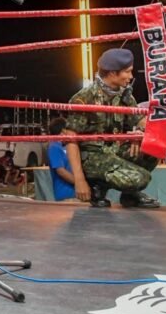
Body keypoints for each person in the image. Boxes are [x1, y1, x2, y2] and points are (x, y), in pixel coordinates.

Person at [63, 48, 160, 209]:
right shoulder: (84, 98)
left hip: (114, 150)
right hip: (93, 158)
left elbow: (142, 122)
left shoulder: (124, 96)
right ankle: (96, 186)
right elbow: (70, 139)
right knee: (141, 178)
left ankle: (129, 196)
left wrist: (140, 134)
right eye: (127, 72)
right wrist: (79, 180)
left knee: (153, 148)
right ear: (113, 73)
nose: (131, 76)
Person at [47, 118, 77, 201]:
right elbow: (61, 171)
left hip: (73, 194)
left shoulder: (64, 146)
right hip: (65, 196)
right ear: (64, 131)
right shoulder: (54, 147)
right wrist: (79, 182)